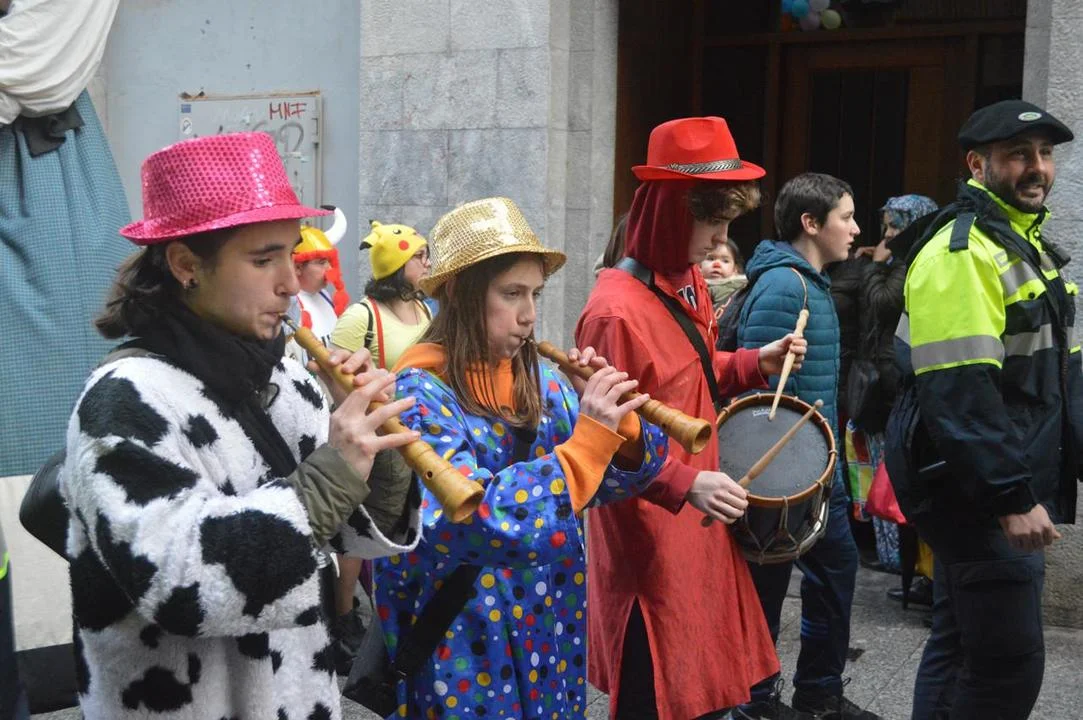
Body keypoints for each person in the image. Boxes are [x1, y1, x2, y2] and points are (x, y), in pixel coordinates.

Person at [59, 132, 423, 719]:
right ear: (186, 265)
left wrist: (381, 453)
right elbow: (181, 584)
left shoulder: (291, 377)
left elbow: (345, 538)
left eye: (290, 254)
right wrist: (329, 477)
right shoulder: (124, 399)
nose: (290, 282)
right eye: (262, 260)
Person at [373, 196, 669, 717]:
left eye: (534, 293)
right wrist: (587, 442)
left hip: (549, 621)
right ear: (460, 293)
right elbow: (473, 519)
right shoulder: (418, 394)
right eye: (511, 294)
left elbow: (603, 484)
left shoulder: (543, 381)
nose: (529, 315)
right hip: (467, 639)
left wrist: (619, 425)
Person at [576, 116, 808, 720]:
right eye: (713, 222)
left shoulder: (685, 284)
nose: (721, 239)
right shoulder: (613, 312)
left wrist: (756, 361)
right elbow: (604, 444)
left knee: (702, 692)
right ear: (671, 213)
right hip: (651, 533)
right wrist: (683, 483)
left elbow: (691, 374)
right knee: (655, 690)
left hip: (699, 514)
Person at [887, 99, 1081, 720]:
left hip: (987, 477)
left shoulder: (1025, 245)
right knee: (1006, 666)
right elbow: (960, 392)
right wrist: (1011, 498)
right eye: (1019, 154)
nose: (1037, 167)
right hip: (974, 488)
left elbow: (1061, 376)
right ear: (977, 165)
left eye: (1045, 153)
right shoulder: (963, 252)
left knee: (959, 641)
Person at [736, 173, 876, 719]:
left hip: (816, 469)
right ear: (811, 223)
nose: (856, 229)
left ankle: (815, 693)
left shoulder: (809, 282)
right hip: (788, 476)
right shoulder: (784, 286)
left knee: (831, 573)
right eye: (847, 217)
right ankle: (757, 699)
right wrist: (786, 479)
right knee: (769, 584)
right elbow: (759, 399)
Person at [327, 218, 432, 673]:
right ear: (397, 264)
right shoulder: (361, 315)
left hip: (422, 431)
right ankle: (345, 615)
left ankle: (395, 609)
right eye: (419, 256)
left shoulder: (425, 309)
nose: (427, 263)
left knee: (412, 522)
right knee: (371, 526)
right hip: (381, 437)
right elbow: (332, 371)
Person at [293, 205, 351, 348]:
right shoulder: (290, 306)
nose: (329, 269)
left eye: (329, 262)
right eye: (321, 263)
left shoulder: (324, 294)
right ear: (298, 267)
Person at [702, 237, 748, 315]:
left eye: (725, 261)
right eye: (711, 259)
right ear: (699, 265)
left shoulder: (743, 288)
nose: (717, 264)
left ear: (735, 269)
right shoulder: (691, 288)